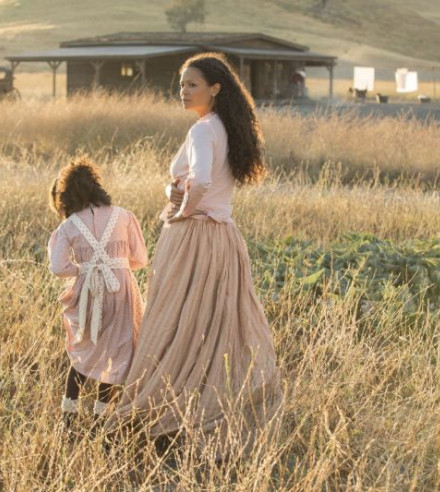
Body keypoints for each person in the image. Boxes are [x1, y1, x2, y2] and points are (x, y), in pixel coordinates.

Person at [105, 53, 282, 454]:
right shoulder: (226, 127)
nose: (183, 91)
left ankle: (161, 405)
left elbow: (200, 181)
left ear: (215, 89)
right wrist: (177, 193)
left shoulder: (203, 130)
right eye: (181, 84)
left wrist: (182, 211)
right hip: (223, 237)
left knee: (173, 317)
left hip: (194, 235)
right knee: (212, 322)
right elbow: (206, 182)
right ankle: (201, 401)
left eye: (192, 85)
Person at [48, 156, 148, 430]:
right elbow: (140, 259)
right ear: (96, 187)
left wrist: (83, 270)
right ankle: (100, 422)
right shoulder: (124, 216)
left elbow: (58, 267)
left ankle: (68, 421)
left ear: (67, 194)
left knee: (84, 350)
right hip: (122, 290)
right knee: (115, 353)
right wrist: (117, 265)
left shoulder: (68, 226)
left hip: (88, 292)